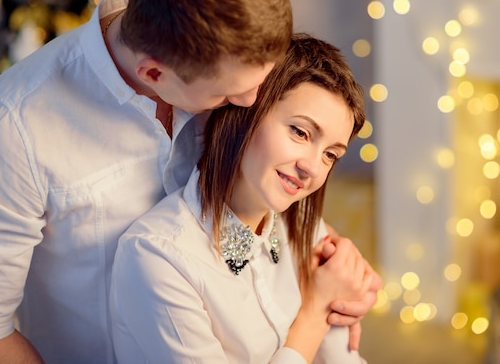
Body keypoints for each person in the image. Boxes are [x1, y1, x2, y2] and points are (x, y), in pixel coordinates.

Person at [0, 0, 374, 363]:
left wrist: (328, 252)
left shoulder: (217, 52)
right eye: (227, 93)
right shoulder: (10, 130)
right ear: (153, 73)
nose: (250, 102)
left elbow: (262, 160)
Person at [110, 33, 381, 364]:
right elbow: (319, 316)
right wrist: (312, 314)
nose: (312, 167)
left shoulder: (306, 230)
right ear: (248, 109)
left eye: (330, 154)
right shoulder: (157, 257)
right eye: (300, 132)